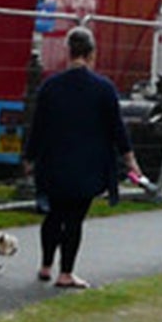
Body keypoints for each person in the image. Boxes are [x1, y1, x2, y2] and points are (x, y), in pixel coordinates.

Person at [23, 26, 140, 290]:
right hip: (88, 164)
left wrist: (30, 158)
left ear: (69, 53)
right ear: (91, 54)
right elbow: (117, 129)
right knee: (74, 219)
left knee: (53, 215)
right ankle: (66, 273)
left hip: (54, 162)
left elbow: (38, 126)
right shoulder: (104, 89)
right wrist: (130, 160)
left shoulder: (50, 87)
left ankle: (45, 265)